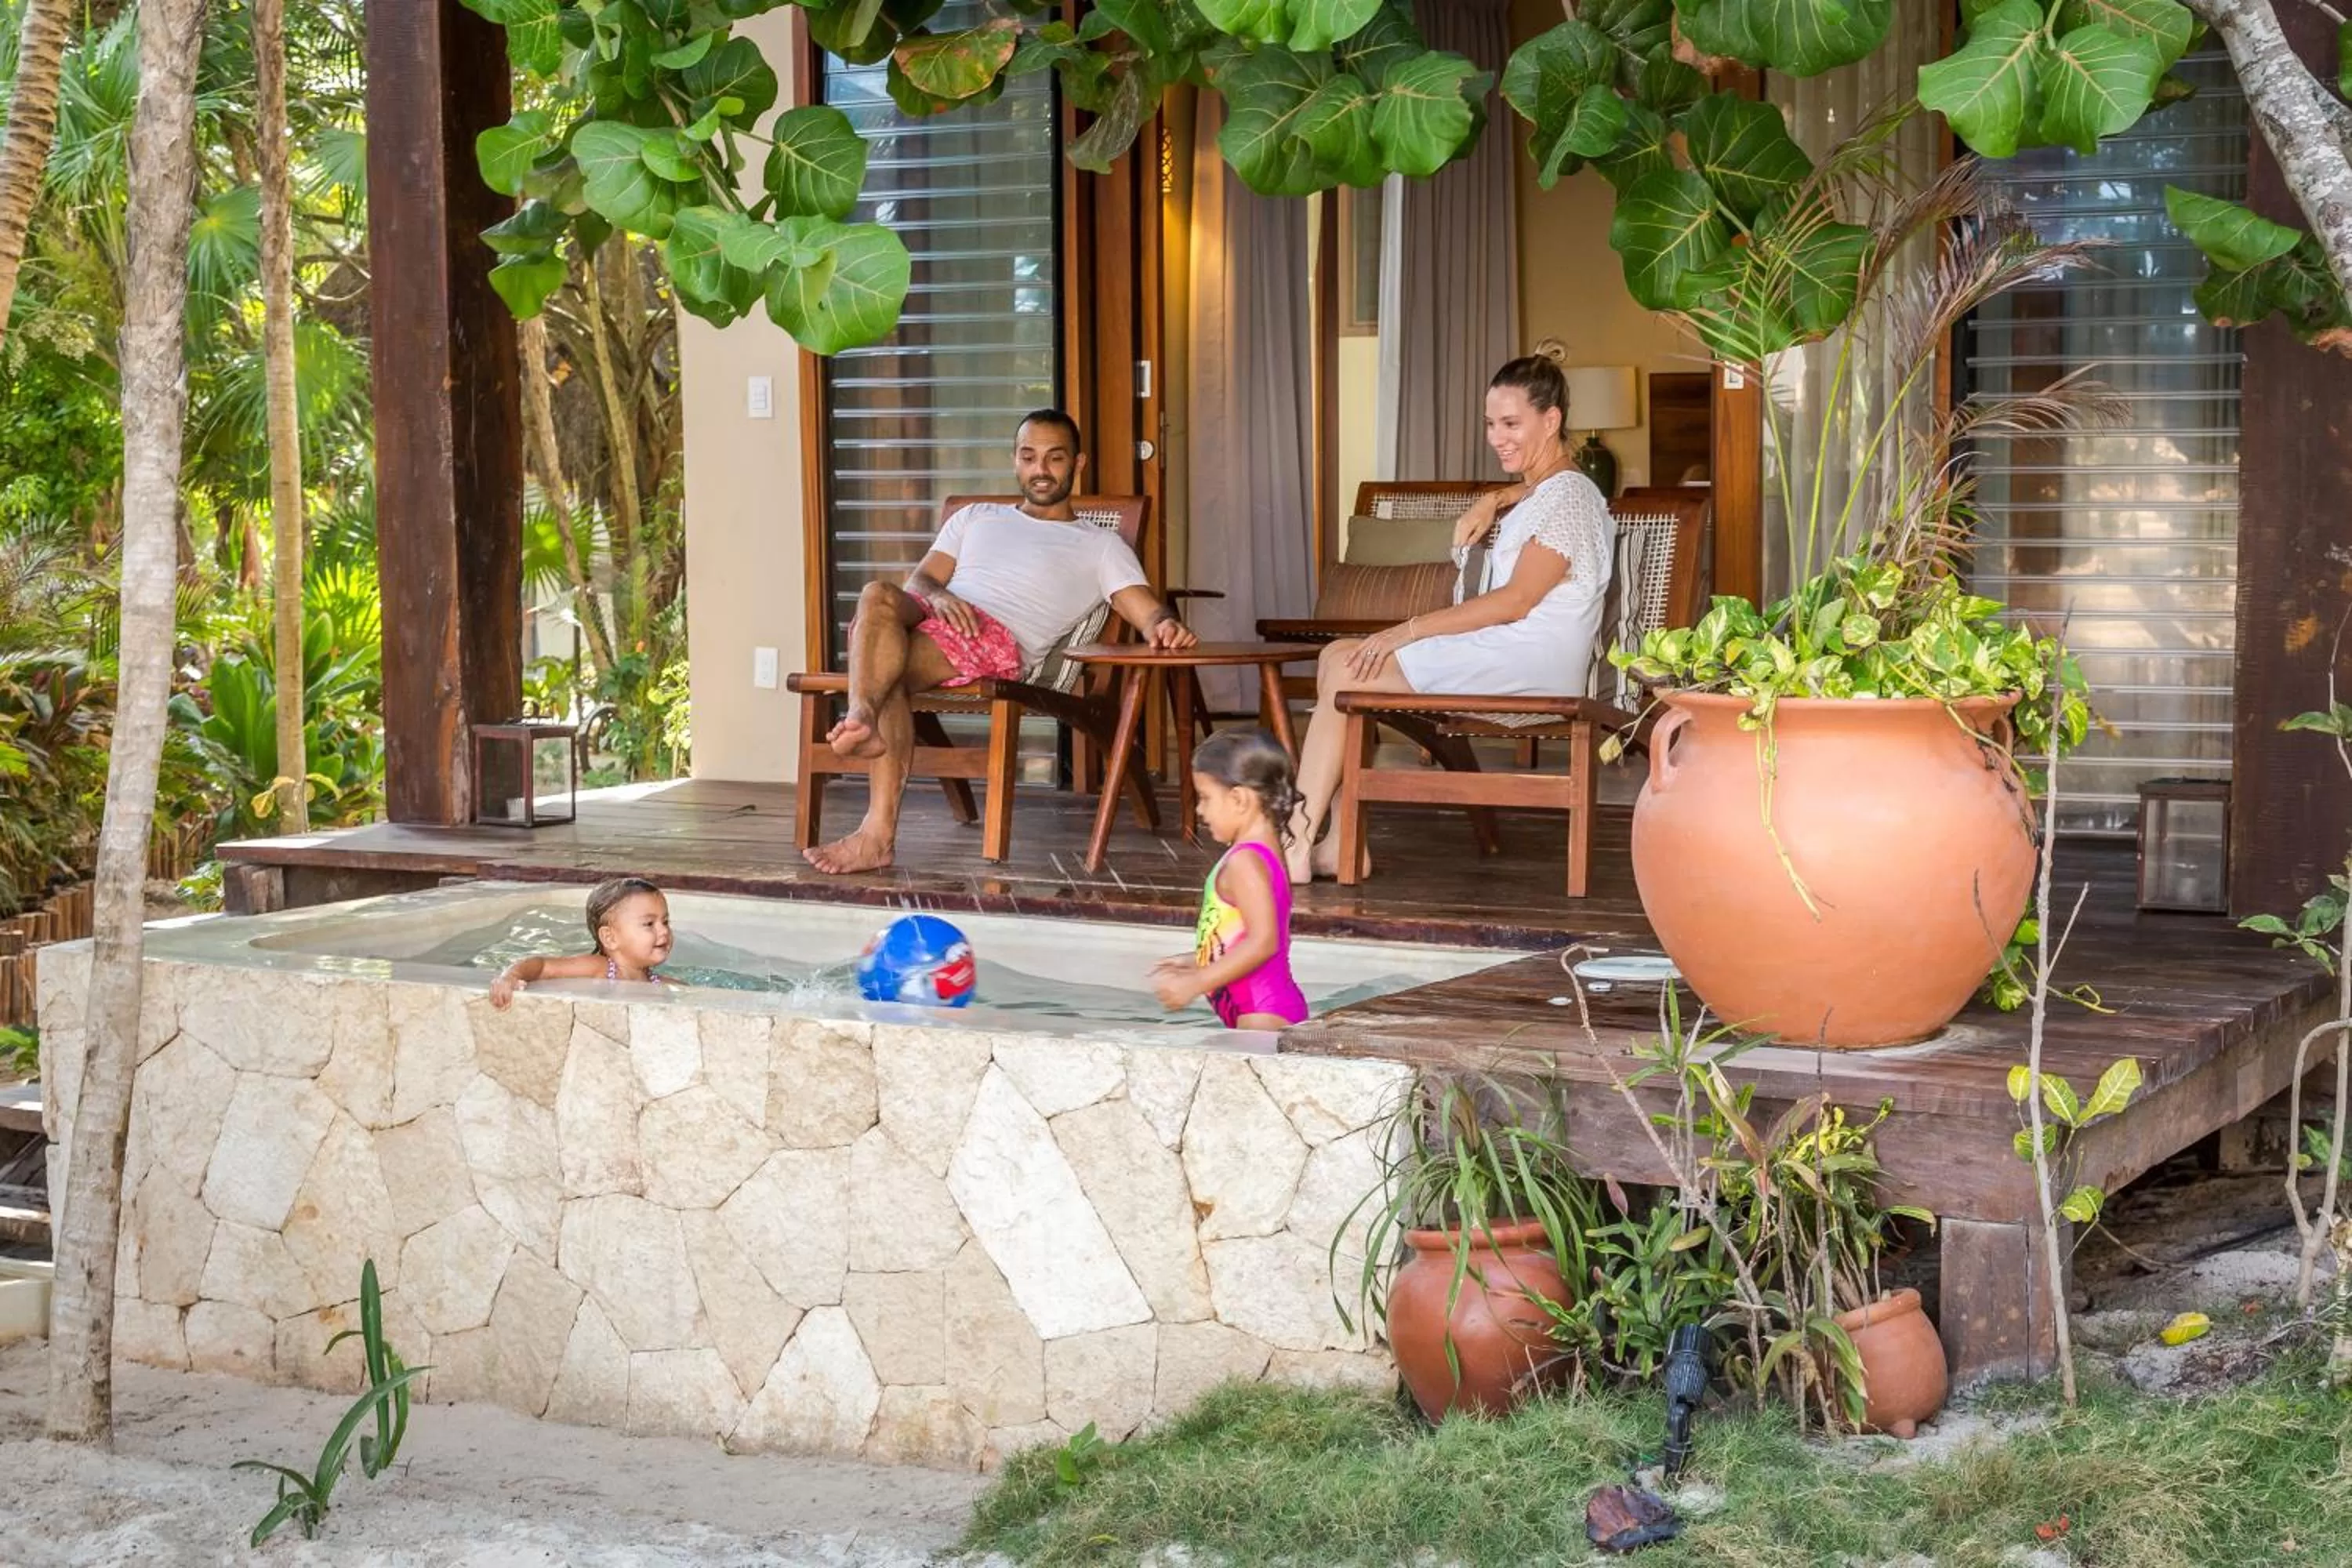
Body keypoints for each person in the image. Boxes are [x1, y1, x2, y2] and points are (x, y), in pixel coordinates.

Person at [806, 409, 1197, 876]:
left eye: (1054, 458)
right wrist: (940, 595)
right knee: (876, 594)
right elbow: (922, 581)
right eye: (1029, 457)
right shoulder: (976, 517)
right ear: (1015, 461)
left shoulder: (1100, 545)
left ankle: (874, 824)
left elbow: (1145, 608)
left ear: (1079, 463)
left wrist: (1164, 624)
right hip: (934, 611)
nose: (1041, 470)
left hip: (992, 638)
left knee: (885, 673)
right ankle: (862, 716)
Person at [1284, 356, 1615, 884]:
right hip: (1511, 647)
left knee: (1351, 666)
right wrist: (1494, 498)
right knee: (1336, 655)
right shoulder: (1550, 490)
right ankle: (1339, 843)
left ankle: (1297, 839)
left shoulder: (1571, 499)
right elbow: (1540, 489)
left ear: (1550, 421)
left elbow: (1516, 601)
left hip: (1533, 658)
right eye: (1490, 424)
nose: (1497, 438)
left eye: (1512, 424)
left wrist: (1406, 629)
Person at [1152, 728, 1308, 1029]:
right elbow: (1242, 935)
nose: (1200, 810)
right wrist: (1198, 959)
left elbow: (1264, 942)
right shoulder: (1261, 855)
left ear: (1239, 800)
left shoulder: (1246, 862)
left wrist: (1196, 982)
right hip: (1260, 1008)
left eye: (1206, 798)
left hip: (1262, 1013)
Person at [488, 876, 675, 1007]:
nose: (664, 930)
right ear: (610, 938)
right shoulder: (598, 968)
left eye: (665, 922)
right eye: (649, 924)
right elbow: (542, 966)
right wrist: (511, 977)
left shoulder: (665, 985)